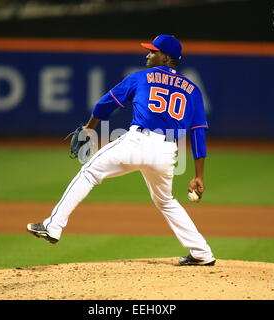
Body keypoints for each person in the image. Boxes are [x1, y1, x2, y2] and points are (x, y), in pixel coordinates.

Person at [27, 34, 216, 266]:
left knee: (88, 173)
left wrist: (89, 128)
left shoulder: (140, 77)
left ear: (166, 57)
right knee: (165, 201)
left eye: (153, 51)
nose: (147, 54)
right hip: (167, 152)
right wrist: (199, 175)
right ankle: (202, 253)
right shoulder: (193, 90)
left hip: (138, 141)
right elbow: (198, 133)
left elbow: (104, 105)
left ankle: (53, 226)